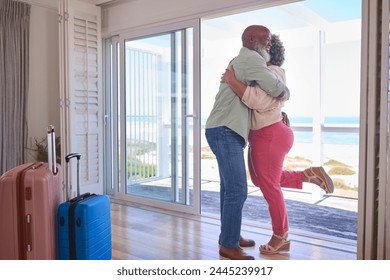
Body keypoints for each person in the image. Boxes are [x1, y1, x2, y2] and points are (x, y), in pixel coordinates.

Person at [221, 34, 334, 255]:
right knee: (260, 180)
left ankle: (281, 236)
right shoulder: (265, 73)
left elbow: (258, 101)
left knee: (270, 187)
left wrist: (232, 81)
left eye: (260, 50)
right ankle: (309, 175)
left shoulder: (272, 72)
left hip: (269, 135)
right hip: (265, 135)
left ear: (269, 53)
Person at [205, 25, 289, 260]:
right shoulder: (252, 59)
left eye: (271, 41)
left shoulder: (241, 60)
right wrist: (285, 95)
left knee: (228, 188)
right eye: (267, 39)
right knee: (238, 189)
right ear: (252, 39)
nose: (269, 44)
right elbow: (275, 88)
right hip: (224, 130)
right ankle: (228, 245)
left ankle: (230, 235)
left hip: (223, 128)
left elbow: (256, 94)